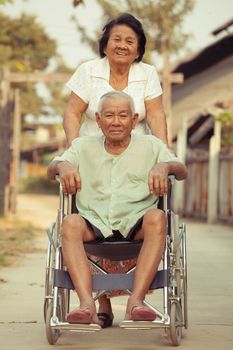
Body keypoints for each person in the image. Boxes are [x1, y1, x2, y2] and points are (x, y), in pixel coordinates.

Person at [62, 12, 170, 327]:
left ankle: (135, 299)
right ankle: (100, 302)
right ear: (105, 45)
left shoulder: (147, 73)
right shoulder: (89, 71)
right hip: (93, 165)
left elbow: (156, 116)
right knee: (91, 216)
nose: (122, 45)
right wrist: (74, 153)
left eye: (130, 41)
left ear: (138, 50)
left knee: (141, 213)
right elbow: (72, 113)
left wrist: (162, 157)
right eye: (116, 39)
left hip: (135, 163)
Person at [48, 91, 187, 325]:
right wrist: (62, 166)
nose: (115, 121)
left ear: (134, 120)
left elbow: (181, 170)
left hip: (136, 221)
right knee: (70, 222)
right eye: (109, 115)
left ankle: (136, 302)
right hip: (94, 221)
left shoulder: (151, 145)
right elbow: (51, 168)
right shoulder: (82, 146)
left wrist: (164, 166)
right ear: (98, 120)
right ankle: (86, 305)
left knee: (157, 216)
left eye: (123, 115)